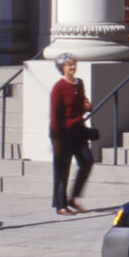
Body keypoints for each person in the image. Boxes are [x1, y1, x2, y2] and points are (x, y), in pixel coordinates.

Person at [48, 55, 94, 215]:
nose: (72, 67)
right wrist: (56, 138)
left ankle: (73, 197)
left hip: (78, 130)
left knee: (87, 161)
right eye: (68, 65)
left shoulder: (79, 83)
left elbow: (81, 106)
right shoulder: (58, 87)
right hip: (62, 132)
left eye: (73, 64)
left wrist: (87, 107)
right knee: (62, 169)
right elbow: (54, 114)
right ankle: (60, 205)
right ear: (62, 67)